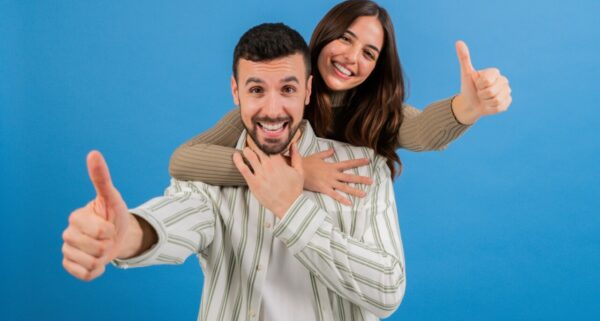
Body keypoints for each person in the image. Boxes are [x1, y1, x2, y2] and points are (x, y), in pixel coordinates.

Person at [62, 23, 405, 321]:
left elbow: (388, 291)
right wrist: (128, 235)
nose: (272, 110)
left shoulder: (363, 168)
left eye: (287, 89)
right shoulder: (212, 174)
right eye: (256, 89)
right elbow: (177, 219)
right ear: (235, 91)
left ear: (308, 91)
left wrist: (291, 209)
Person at [169, 0, 512, 205]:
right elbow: (184, 159)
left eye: (368, 53)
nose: (351, 57)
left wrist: (469, 106)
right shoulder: (280, 108)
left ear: (377, 67)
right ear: (324, 34)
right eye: (345, 39)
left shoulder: (376, 115)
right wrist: (296, 174)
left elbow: (421, 132)